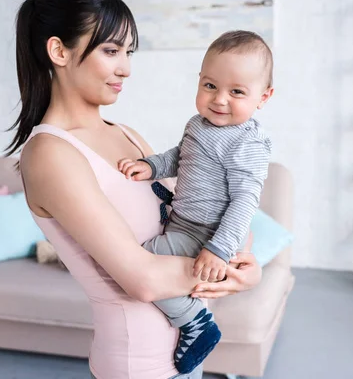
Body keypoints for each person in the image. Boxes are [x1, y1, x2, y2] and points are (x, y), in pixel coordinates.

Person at [7, 0, 263, 378]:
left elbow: (205, 211)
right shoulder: (50, 155)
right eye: (111, 51)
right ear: (59, 51)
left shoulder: (126, 135)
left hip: (184, 354)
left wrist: (246, 261)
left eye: (128, 52)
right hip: (138, 365)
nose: (125, 68)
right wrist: (233, 277)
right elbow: (141, 280)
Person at [117, 30, 274, 374]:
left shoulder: (247, 142)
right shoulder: (198, 125)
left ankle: (194, 321)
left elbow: (245, 202)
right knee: (142, 258)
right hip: (184, 219)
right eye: (210, 86)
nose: (220, 99)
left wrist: (219, 249)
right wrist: (152, 166)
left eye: (237, 92)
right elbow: (181, 156)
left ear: (263, 97)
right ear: (199, 81)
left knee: (143, 258)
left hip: (207, 232)